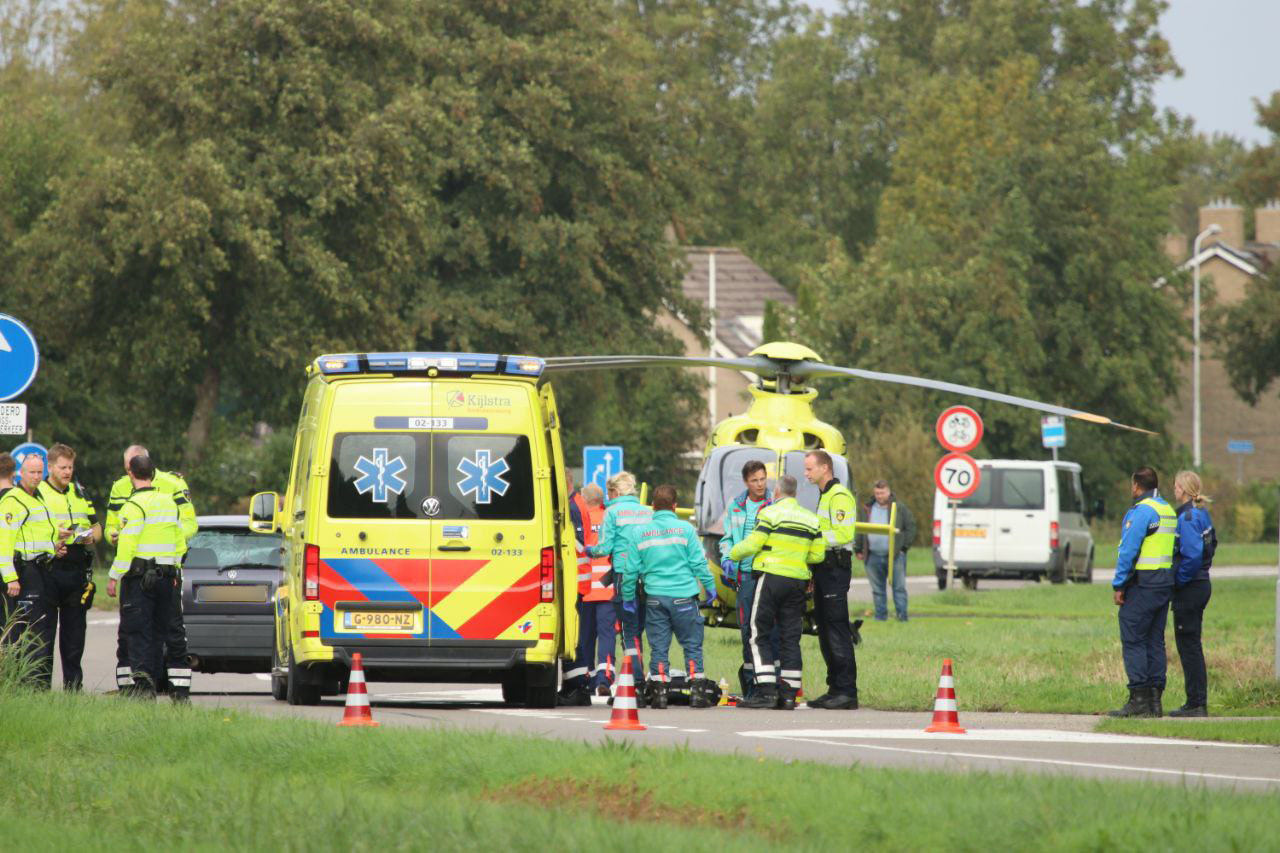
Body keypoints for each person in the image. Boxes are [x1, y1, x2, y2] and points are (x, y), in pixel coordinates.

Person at [104, 444, 197, 691]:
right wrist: (175, 569)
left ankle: (143, 690)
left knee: (138, 633)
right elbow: (179, 541)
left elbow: (127, 547)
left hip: (139, 577)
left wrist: (114, 576)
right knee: (161, 633)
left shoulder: (133, 506)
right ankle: (177, 692)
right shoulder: (168, 503)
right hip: (168, 576)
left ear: (132, 473)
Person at [729, 475, 825, 710]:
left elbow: (752, 544)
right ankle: (789, 694)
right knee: (790, 637)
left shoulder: (770, 514)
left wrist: (732, 555)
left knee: (757, 632)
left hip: (771, 578)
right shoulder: (812, 520)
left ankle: (766, 691)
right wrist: (796, 556)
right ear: (796, 493)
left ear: (778, 491)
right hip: (797, 582)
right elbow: (818, 556)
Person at [620, 485, 717, 709]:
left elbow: (630, 571)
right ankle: (697, 693)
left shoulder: (640, 533)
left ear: (653, 506)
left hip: (655, 599)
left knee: (659, 647)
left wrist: (628, 598)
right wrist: (711, 588)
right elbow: (699, 564)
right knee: (692, 645)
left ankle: (660, 694)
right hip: (684, 598)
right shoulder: (686, 529)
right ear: (675, 506)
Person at [1107, 466, 1175, 718]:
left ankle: (1138, 698)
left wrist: (1119, 585)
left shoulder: (1142, 512)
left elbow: (1128, 550)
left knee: (1134, 638)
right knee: (1155, 640)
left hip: (1143, 583)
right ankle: (1155, 702)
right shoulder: (1166, 509)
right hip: (1165, 582)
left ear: (1136, 486)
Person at [0, 453, 71, 687]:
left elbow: (36, 536)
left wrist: (53, 547)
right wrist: (11, 578)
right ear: (20, 472)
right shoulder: (14, 500)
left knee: (38, 628)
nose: (36, 476)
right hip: (22, 572)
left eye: (40, 472)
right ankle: (20, 683)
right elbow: (5, 542)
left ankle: (34, 685)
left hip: (40, 568)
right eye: (32, 472)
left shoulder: (37, 499)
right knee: (22, 631)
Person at [37, 443, 101, 691]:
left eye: (70, 467)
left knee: (75, 633)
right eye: (62, 467)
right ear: (50, 467)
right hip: (49, 568)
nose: (67, 472)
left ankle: (73, 687)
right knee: (44, 633)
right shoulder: (39, 493)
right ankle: (40, 687)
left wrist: (90, 537)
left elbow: (97, 528)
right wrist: (53, 540)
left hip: (76, 569)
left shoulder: (79, 492)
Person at [802, 449, 860, 710]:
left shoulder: (839, 496)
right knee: (824, 630)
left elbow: (844, 533)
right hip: (824, 569)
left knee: (837, 630)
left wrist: (813, 541)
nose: (806, 473)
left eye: (809, 469)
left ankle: (847, 691)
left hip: (835, 569)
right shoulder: (825, 496)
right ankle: (834, 688)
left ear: (825, 468)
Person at [587, 471, 653, 689]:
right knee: (640, 628)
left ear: (614, 491)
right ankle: (642, 675)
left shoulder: (612, 512)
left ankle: (636, 681)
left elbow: (604, 547)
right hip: (648, 577)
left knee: (628, 630)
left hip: (624, 576)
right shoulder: (647, 512)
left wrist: (589, 550)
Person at [717, 459, 777, 696]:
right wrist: (727, 557)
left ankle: (771, 682)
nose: (760, 484)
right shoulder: (736, 506)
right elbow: (727, 538)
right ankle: (752, 684)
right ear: (746, 482)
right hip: (745, 576)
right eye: (755, 480)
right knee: (746, 631)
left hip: (768, 574)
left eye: (763, 479)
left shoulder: (774, 504)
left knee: (768, 629)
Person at [560, 483, 617, 704]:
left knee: (584, 639)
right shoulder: (610, 518)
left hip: (584, 589)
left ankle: (590, 679)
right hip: (608, 589)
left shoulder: (580, 517)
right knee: (607, 636)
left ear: (584, 499)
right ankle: (605, 678)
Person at [1169, 470, 1216, 718]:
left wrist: (1177, 581)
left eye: (1176, 486)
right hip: (1202, 583)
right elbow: (1212, 546)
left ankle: (1196, 702)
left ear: (1184, 489)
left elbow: (1191, 556)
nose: (1174, 490)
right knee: (1192, 643)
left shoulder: (1186, 518)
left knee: (1188, 646)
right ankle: (1196, 700)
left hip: (1190, 588)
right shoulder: (1201, 514)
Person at [855, 479, 916, 622]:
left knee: (899, 588)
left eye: (882, 493)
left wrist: (903, 548)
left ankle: (902, 617)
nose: (879, 496)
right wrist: (858, 548)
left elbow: (911, 527)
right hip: (872, 556)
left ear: (888, 492)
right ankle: (880, 617)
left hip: (895, 556)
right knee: (877, 590)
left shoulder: (899, 508)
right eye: (877, 493)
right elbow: (860, 529)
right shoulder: (867, 509)